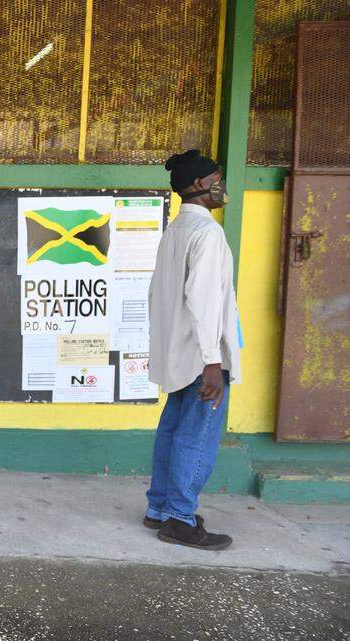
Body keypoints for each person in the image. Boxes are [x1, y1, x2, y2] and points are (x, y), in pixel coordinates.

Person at [144, 150, 241, 551]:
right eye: (218, 178)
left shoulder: (176, 230)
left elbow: (158, 295)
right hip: (202, 358)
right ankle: (181, 519)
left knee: (172, 431)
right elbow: (203, 299)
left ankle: (160, 509)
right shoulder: (207, 233)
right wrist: (213, 361)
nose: (223, 186)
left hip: (178, 354)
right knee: (196, 437)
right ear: (200, 185)